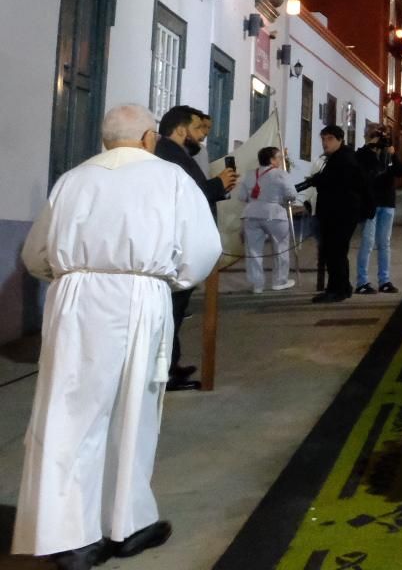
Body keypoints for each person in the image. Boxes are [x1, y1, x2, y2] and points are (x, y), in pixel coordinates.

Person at [13, 104, 222, 569]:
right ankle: (125, 524)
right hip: (140, 295)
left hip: (76, 298)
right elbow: (203, 250)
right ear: (149, 137)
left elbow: (36, 253)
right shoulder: (169, 178)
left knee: (70, 411)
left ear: (106, 139)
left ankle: (69, 534)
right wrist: (170, 279)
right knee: (136, 409)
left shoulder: (73, 179)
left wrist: (71, 276)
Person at [154, 105, 236, 390]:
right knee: (171, 309)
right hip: (176, 244)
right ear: (180, 128)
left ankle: (170, 364)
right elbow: (187, 196)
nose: (203, 137)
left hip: (183, 242)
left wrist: (219, 187)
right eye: (199, 129)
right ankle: (163, 371)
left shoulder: (177, 155)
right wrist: (216, 185)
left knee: (176, 310)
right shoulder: (167, 155)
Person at [297, 125, 367, 304]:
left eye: (329, 139)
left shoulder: (343, 159)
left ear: (339, 139)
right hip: (337, 213)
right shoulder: (338, 157)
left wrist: (317, 181)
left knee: (334, 251)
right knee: (336, 252)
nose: (324, 143)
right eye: (323, 139)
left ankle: (336, 290)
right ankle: (343, 287)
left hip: (339, 214)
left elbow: (336, 182)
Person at [234, 146, 301, 293]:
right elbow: (292, 194)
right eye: (279, 157)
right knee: (281, 248)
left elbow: (242, 197)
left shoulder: (250, 174)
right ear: (272, 160)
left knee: (253, 251)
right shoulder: (280, 174)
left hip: (251, 214)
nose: (281, 160)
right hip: (275, 214)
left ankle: (257, 284)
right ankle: (279, 281)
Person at [354, 123, 402, 294]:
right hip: (370, 202)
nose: (381, 138)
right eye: (377, 135)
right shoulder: (362, 153)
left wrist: (393, 154)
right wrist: (371, 149)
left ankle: (385, 280)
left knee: (384, 243)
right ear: (367, 135)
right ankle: (362, 282)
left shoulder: (387, 153)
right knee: (367, 242)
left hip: (387, 201)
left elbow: (400, 171)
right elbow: (362, 171)